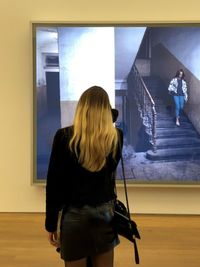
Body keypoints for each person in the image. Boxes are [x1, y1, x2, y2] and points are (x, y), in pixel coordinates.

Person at [45, 86, 123, 267]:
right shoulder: (116, 137)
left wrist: (50, 224)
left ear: (81, 108)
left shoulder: (64, 136)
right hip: (105, 214)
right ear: (106, 110)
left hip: (74, 216)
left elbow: (54, 185)